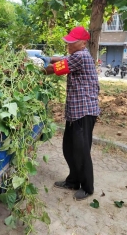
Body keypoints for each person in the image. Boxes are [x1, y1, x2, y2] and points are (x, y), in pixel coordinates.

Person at [36, 26, 100, 201]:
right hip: (75, 111)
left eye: (73, 42)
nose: (69, 45)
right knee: (69, 148)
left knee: (81, 150)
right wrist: (47, 58)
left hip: (84, 111)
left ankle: (87, 187)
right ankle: (73, 181)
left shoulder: (81, 56)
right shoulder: (76, 55)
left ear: (83, 43)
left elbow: (55, 69)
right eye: (68, 42)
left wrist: (34, 69)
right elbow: (62, 59)